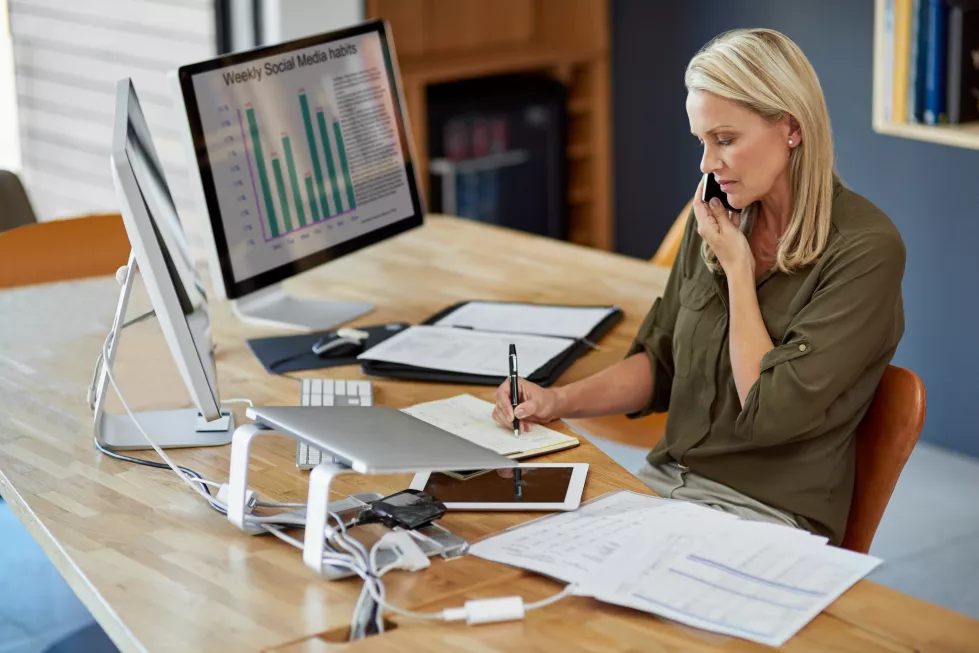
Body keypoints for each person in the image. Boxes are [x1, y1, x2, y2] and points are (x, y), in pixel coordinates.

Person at [492, 28, 905, 545]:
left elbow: (767, 414)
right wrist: (555, 401)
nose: (709, 164)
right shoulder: (715, 216)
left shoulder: (865, 250)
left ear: (792, 128)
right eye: (703, 142)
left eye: (726, 140)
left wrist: (737, 272)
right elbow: (661, 363)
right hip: (668, 487)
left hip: (766, 513)